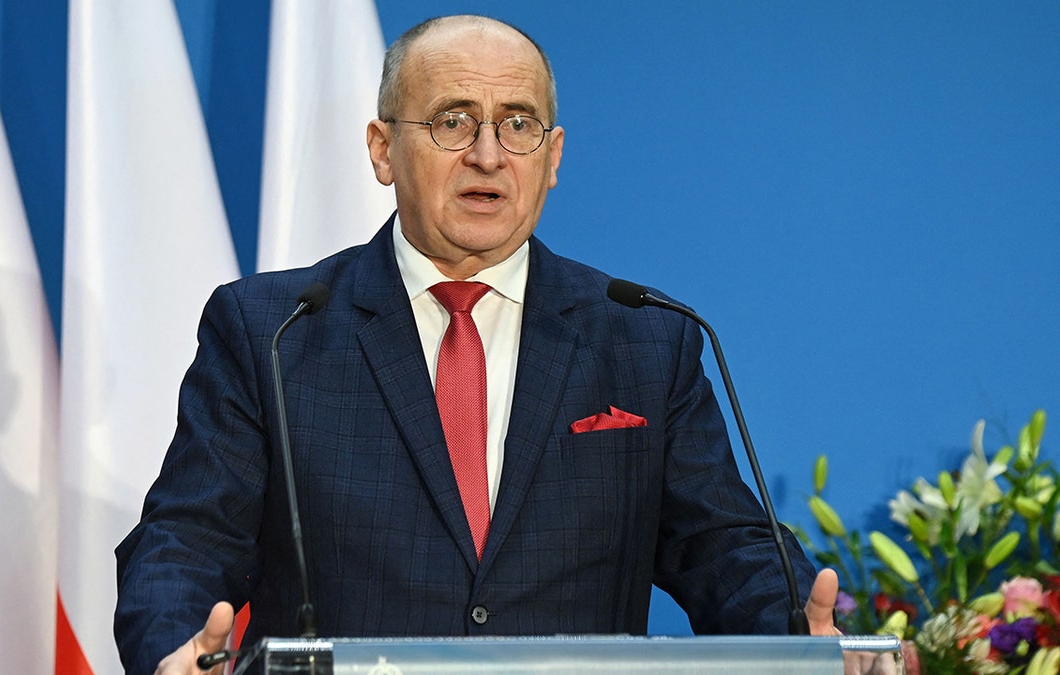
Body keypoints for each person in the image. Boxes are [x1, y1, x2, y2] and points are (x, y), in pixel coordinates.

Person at [114, 14, 842, 674]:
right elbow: (188, 537)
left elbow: (724, 545)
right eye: (453, 121)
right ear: (382, 148)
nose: (489, 155)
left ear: (552, 157)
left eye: (519, 124)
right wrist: (175, 646)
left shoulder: (644, 337)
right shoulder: (276, 328)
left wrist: (798, 632)